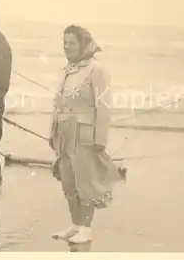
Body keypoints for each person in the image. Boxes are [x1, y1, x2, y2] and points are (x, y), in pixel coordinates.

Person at [49, 24, 122, 244]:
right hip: (64, 134)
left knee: (85, 182)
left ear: (83, 44)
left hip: (84, 134)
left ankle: (87, 229)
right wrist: (52, 132)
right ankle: (75, 225)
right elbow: (57, 104)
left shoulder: (96, 70)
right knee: (68, 181)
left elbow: (104, 106)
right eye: (64, 43)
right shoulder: (66, 70)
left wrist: (100, 138)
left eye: (71, 43)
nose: (67, 47)